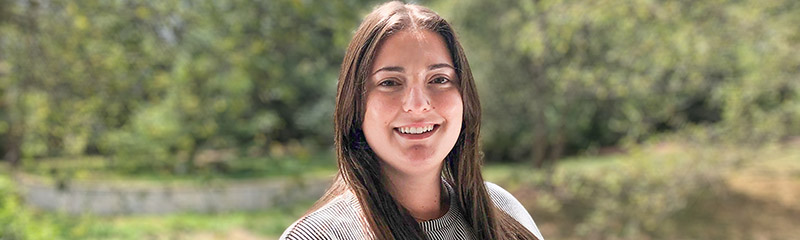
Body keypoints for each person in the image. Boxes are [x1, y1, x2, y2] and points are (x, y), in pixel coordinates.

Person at [280, 1, 544, 239]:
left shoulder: (504, 211)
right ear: (356, 106)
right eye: (390, 83)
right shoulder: (319, 235)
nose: (417, 105)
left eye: (439, 79)